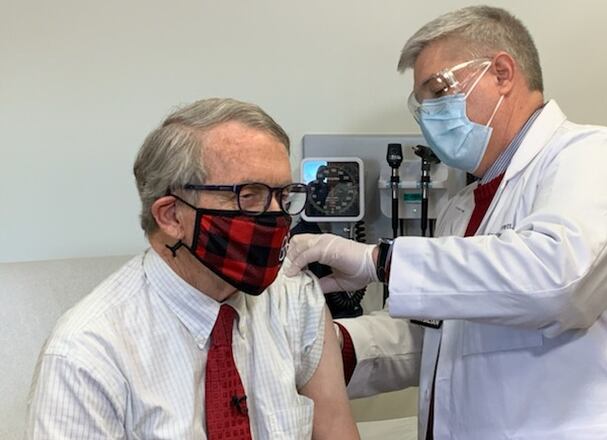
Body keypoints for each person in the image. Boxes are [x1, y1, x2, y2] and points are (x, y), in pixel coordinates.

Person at [286, 5, 607, 440]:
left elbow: (557, 281)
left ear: (501, 72)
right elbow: (439, 336)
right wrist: (329, 347)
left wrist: (378, 261)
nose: (428, 116)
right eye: (420, 105)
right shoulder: (463, 208)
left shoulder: (596, 156)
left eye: (438, 90)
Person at [26, 98, 360, 439]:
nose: (277, 216)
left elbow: (335, 429)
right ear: (171, 215)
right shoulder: (85, 355)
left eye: (284, 195)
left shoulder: (295, 300)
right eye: (250, 194)